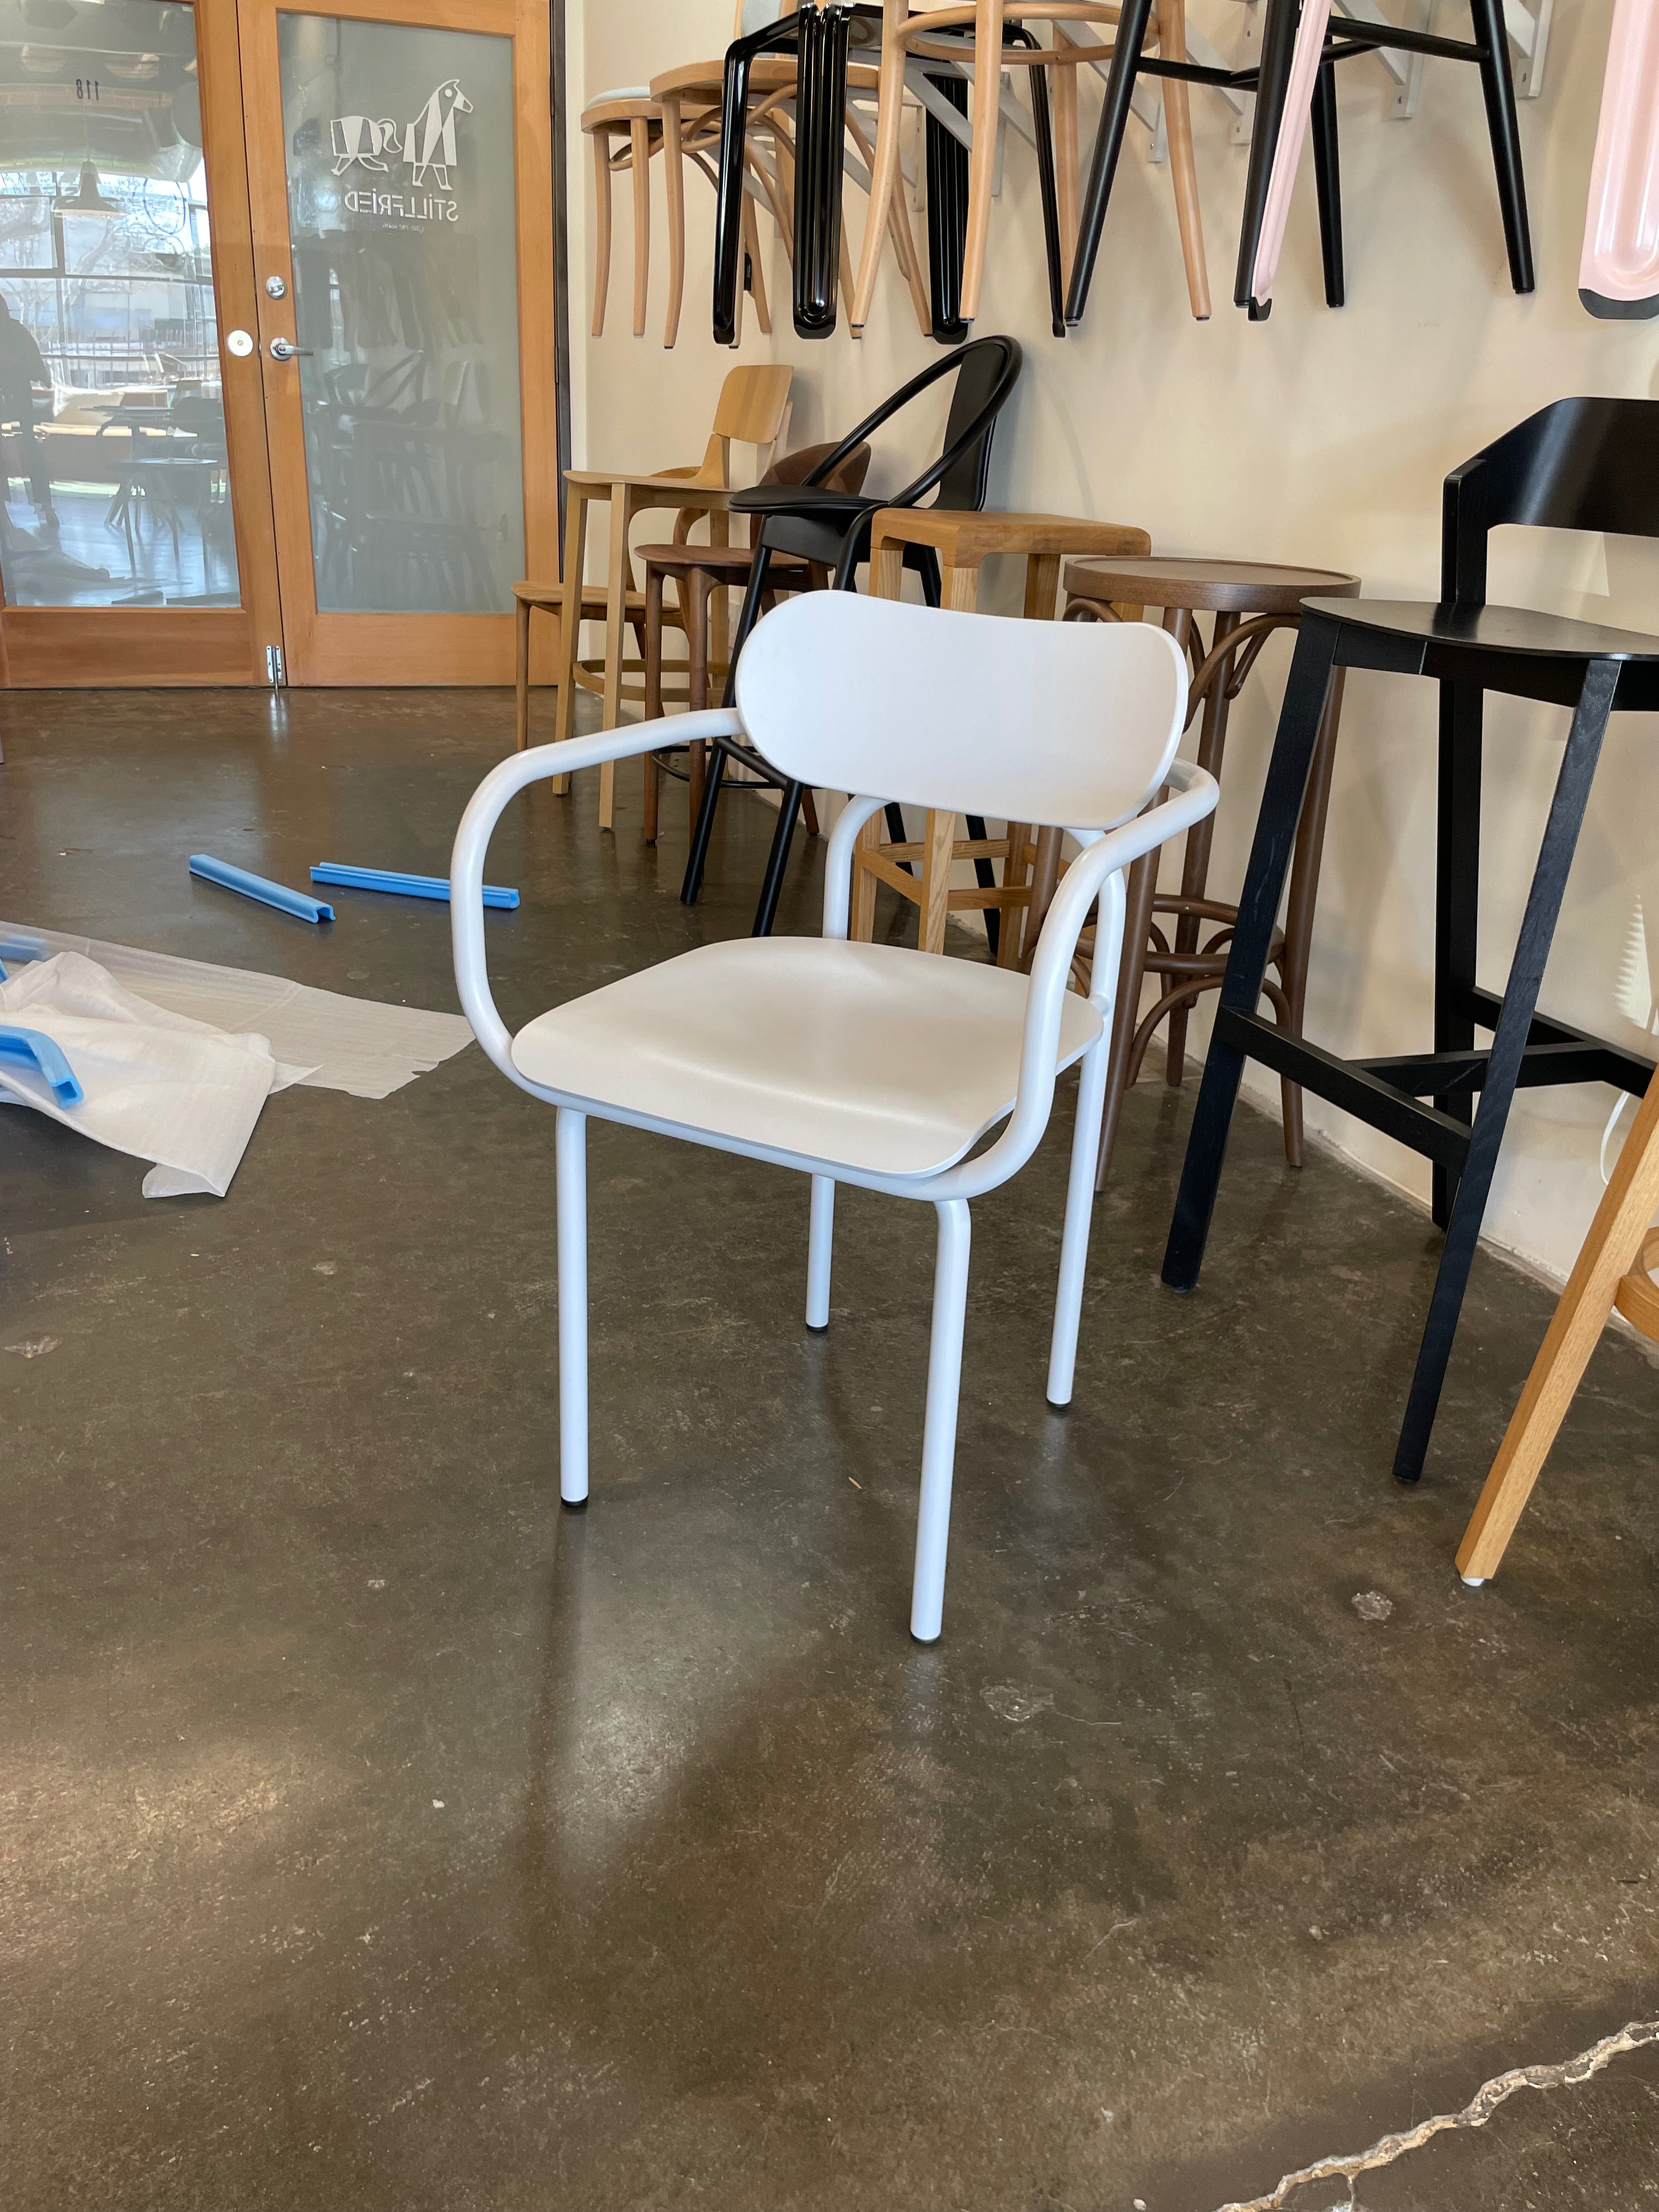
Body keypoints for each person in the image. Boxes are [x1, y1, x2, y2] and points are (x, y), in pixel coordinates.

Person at [0, 295, 55, 522]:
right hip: (19, 394)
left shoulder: (16, 331)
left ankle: (9, 505)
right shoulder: (17, 330)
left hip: (15, 394)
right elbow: (35, 366)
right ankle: (44, 505)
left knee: (25, 447)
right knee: (30, 446)